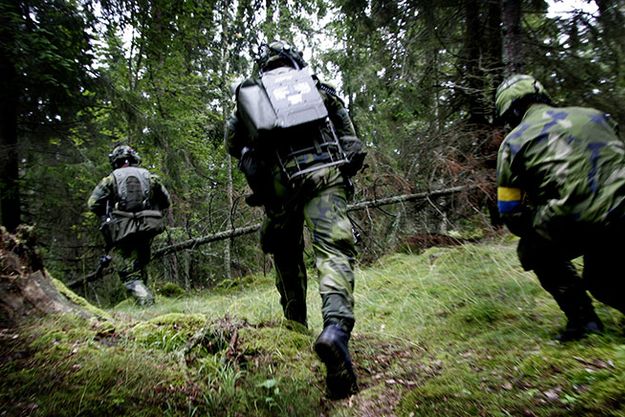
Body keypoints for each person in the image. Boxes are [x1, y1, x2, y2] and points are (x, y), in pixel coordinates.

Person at [226, 40, 366, 399]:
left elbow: (232, 141)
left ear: (264, 64)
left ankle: (294, 326)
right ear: (293, 60)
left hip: (280, 187)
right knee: (333, 250)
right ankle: (335, 330)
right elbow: (350, 140)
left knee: (286, 255)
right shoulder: (317, 87)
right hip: (324, 175)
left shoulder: (254, 94)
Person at [495, 74, 625, 341]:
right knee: (602, 280)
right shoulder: (595, 116)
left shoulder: (513, 142)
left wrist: (530, 226)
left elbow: (509, 209)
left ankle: (583, 321)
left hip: (574, 219)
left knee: (532, 249)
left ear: (513, 112)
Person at [88, 144, 171, 305]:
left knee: (129, 273)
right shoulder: (150, 177)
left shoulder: (111, 179)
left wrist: (110, 212)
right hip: (147, 228)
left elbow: (93, 203)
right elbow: (166, 201)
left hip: (122, 230)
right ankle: (147, 304)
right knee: (141, 265)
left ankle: (146, 301)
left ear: (116, 161)